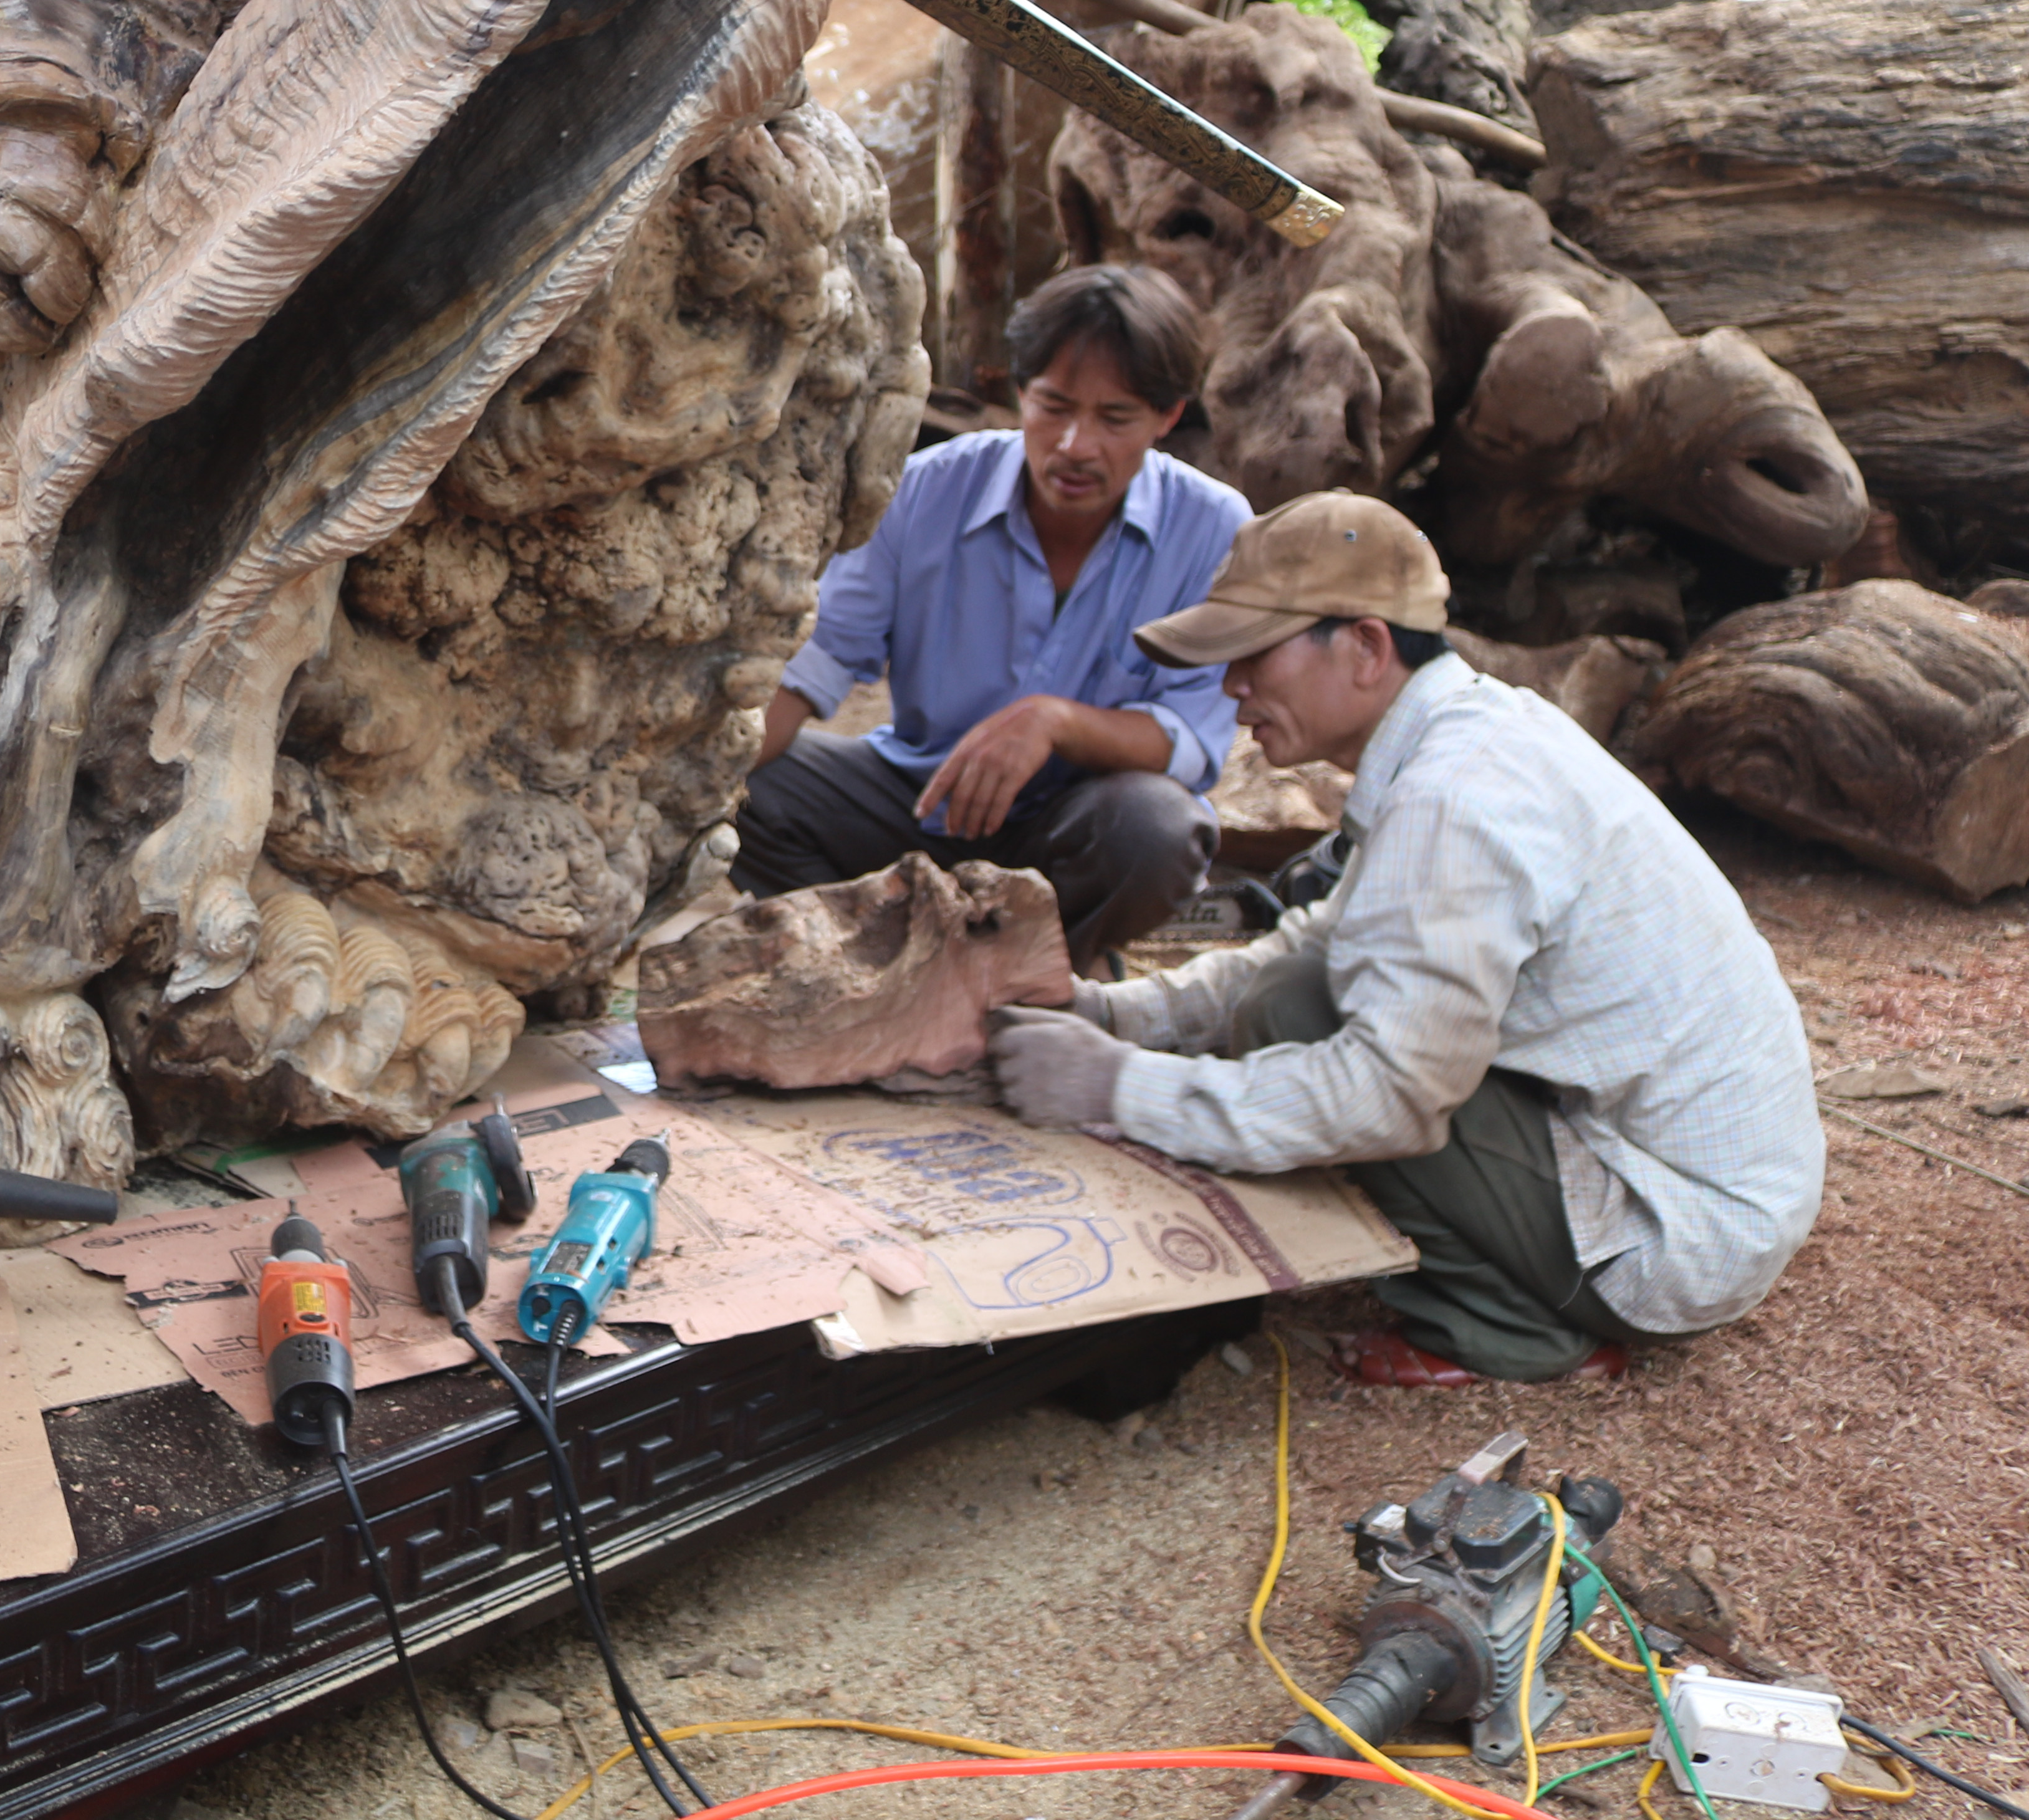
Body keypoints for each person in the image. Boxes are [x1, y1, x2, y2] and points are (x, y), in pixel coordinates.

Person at [984, 492, 1825, 1389]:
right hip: (1686, 1175)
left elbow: (1389, 1098)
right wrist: (1113, 1013)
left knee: (1305, 1027)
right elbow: (1318, 942)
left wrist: (1120, 1087)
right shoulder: (1460, 739)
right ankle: (1519, 1265)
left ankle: (1511, 1327)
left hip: (1673, 1231)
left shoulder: (1456, 800)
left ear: (1366, 647)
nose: (1232, 688)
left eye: (1252, 656)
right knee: (1295, 998)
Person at [738, 264, 1250, 966]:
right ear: (1018, 392)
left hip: (1078, 825)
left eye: (1114, 418)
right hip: (919, 799)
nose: (1075, 444)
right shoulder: (925, 490)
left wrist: (1055, 721)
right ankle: (888, 960)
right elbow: (807, 669)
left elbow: (1191, 739)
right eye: (1055, 406)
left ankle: (1037, 965)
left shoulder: (1215, 527)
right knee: (739, 784)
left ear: (1167, 417)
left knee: (1158, 831)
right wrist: (702, 777)